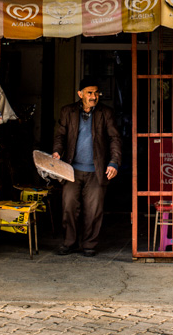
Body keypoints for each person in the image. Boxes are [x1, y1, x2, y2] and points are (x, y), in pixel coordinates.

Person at [52, 77, 122, 257]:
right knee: (69, 207)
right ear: (80, 94)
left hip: (96, 171)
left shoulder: (106, 113)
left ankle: (89, 244)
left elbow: (115, 138)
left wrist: (114, 162)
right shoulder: (67, 111)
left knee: (94, 210)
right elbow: (60, 136)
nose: (93, 96)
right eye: (89, 93)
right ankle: (69, 242)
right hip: (71, 171)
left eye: (96, 93)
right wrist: (56, 153)